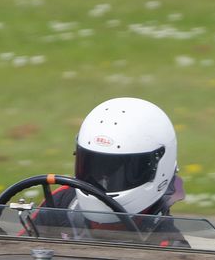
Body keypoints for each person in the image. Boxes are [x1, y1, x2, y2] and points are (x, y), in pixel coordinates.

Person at [38, 97, 184, 230]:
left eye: (117, 171)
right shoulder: (62, 202)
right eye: (93, 166)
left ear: (158, 168)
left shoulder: (167, 242)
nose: (103, 180)